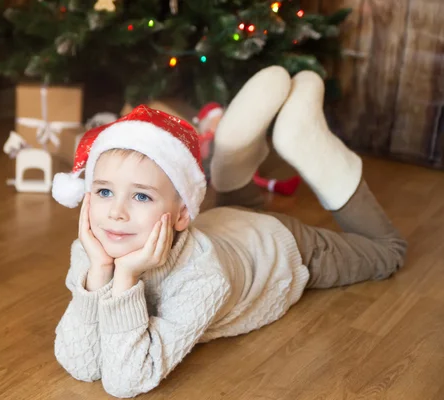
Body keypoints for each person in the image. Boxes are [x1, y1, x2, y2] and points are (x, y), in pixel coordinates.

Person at [51, 67, 407, 398]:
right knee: (244, 211)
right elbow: (80, 363)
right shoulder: (92, 251)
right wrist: (99, 274)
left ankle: (312, 148)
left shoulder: (201, 276)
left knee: (387, 251)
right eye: (104, 191)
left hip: (281, 246)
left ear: (181, 215)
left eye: (141, 195)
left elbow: (126, 380)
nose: (115, 212)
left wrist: (125, 276)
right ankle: (233, 154)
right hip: (226, 223)